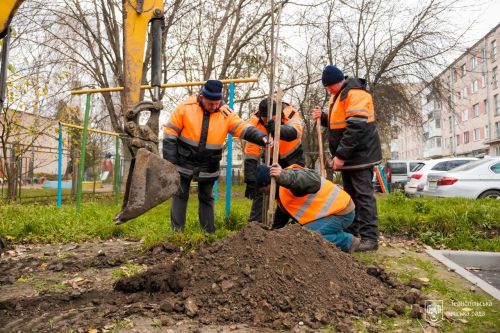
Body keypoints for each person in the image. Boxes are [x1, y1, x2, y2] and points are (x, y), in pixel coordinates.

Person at [163, 80, 268, 233]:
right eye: (210, 103)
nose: (214, 107)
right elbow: (169, 134)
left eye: (217, 103)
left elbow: (242, 128)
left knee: (206, 197)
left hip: (209, 163)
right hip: (183, 160)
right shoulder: (185, 108)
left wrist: (262, 138)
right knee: (180, 194)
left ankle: (208, 233)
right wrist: (170, 163)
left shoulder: (225, 113)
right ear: (202, 97)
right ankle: (177, 233)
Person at [311, 65, 382, 251]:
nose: (328, 90)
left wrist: (341, 155)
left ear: (339, 81)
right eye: (326, 88)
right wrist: (324, 117)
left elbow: (356, 128)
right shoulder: (339, 95)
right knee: (350, 196)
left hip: (360, 155)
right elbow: (339, 123)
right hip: (352, 157)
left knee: (363, 196)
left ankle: (370, 239)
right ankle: (353, 233)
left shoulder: (356, 93)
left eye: (330, 86)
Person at [256, 163, 359, 253]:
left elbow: (312, 180)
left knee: (307, 237)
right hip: (331, 213)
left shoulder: (290, 178)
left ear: (269, 183)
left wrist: (284, 176)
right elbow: (280, 220)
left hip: (342, 211)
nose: (265, 195)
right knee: (294, 234)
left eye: (264, 191)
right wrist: (272, 236)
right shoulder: (281, 196)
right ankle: (333, 234)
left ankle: (348, 242)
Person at [244, 98, 305, 227]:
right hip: (271, 159)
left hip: (294, 157)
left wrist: (278, 129)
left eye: (270, 120)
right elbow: (251, 152)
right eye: (265, 120)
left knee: (295, 189)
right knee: (262, 185)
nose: (266, 123)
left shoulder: (290, 112)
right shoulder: (254, 121)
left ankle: (298, 224)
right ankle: (255, 225)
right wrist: (250, 179)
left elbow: (296, 132)